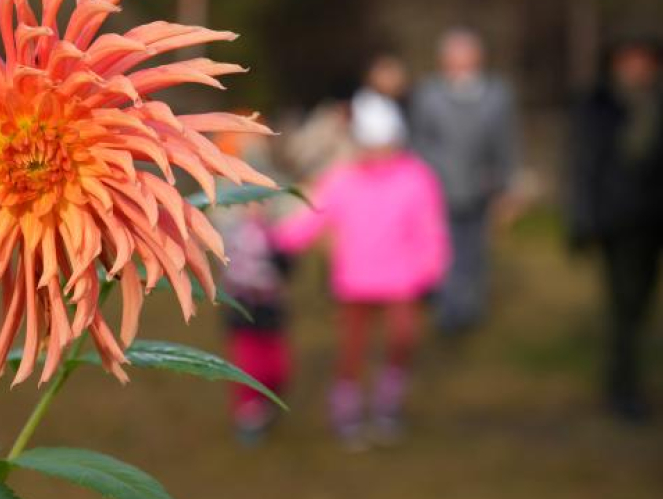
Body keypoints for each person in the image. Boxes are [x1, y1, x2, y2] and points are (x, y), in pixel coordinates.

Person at [273, 94, 449, 449]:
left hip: (402, 278)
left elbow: (430, 227)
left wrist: (431, 268)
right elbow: (314, 213)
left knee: (402, 339)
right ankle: (346, 410)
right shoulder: (344, 179)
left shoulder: (416, 177)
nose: (378, 153)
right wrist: (280, 241)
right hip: (355, 279)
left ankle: (388, 403)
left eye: (383, 145)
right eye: (371, 145)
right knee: (352, 348)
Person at [568, 37, 663, 423]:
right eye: (629, 61)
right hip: (618, 222)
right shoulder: (598, 106)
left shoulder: (655, 104)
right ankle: (623, 388)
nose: (637, 69)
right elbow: (583, 167)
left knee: (643, 305)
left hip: (655, 218)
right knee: (624, 309)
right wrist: (583, 221)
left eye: (644, 62)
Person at [412, 28, 516, 336]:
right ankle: (450, 310)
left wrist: (507, 186)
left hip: (481, 188)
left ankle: (472, 307)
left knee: (475, 249)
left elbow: (506, 143)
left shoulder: (497, 96)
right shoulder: (428, 95)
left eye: (466, 60)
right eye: (453, 61)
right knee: (444, 250)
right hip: (439, 189)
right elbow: (419, 141)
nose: (460, 67)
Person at [211, 129, 291, 444]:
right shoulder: (226, 220)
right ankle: (248, 412)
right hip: (241, 301)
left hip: (271, 301)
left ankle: (268, 398)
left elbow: (285, 259)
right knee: (247, 360)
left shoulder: (271, 224)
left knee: (276, 362)